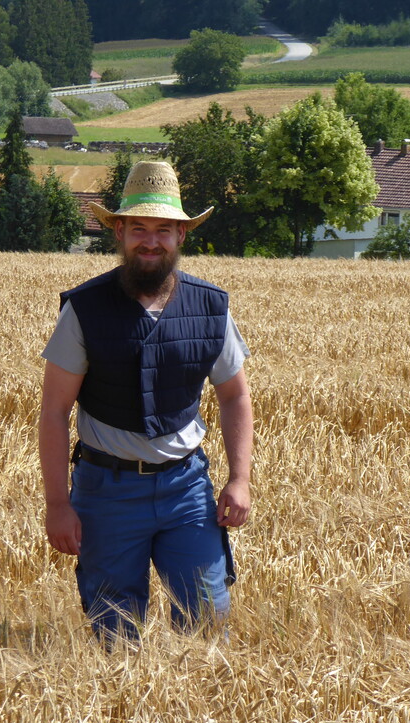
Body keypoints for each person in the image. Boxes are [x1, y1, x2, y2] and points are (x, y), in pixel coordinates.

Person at [39, 161, 253, 645]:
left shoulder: (211, 306)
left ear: (181, 235)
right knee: (114, 633)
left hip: (187, 489)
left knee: (206, 622)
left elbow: (236, 394)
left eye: (164, 230)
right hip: (106, 492)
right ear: (118, 230)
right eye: (139, 228)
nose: (151, 241)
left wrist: (238, 480)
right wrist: (57, 504)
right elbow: (54, 412)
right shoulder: (84, 309)